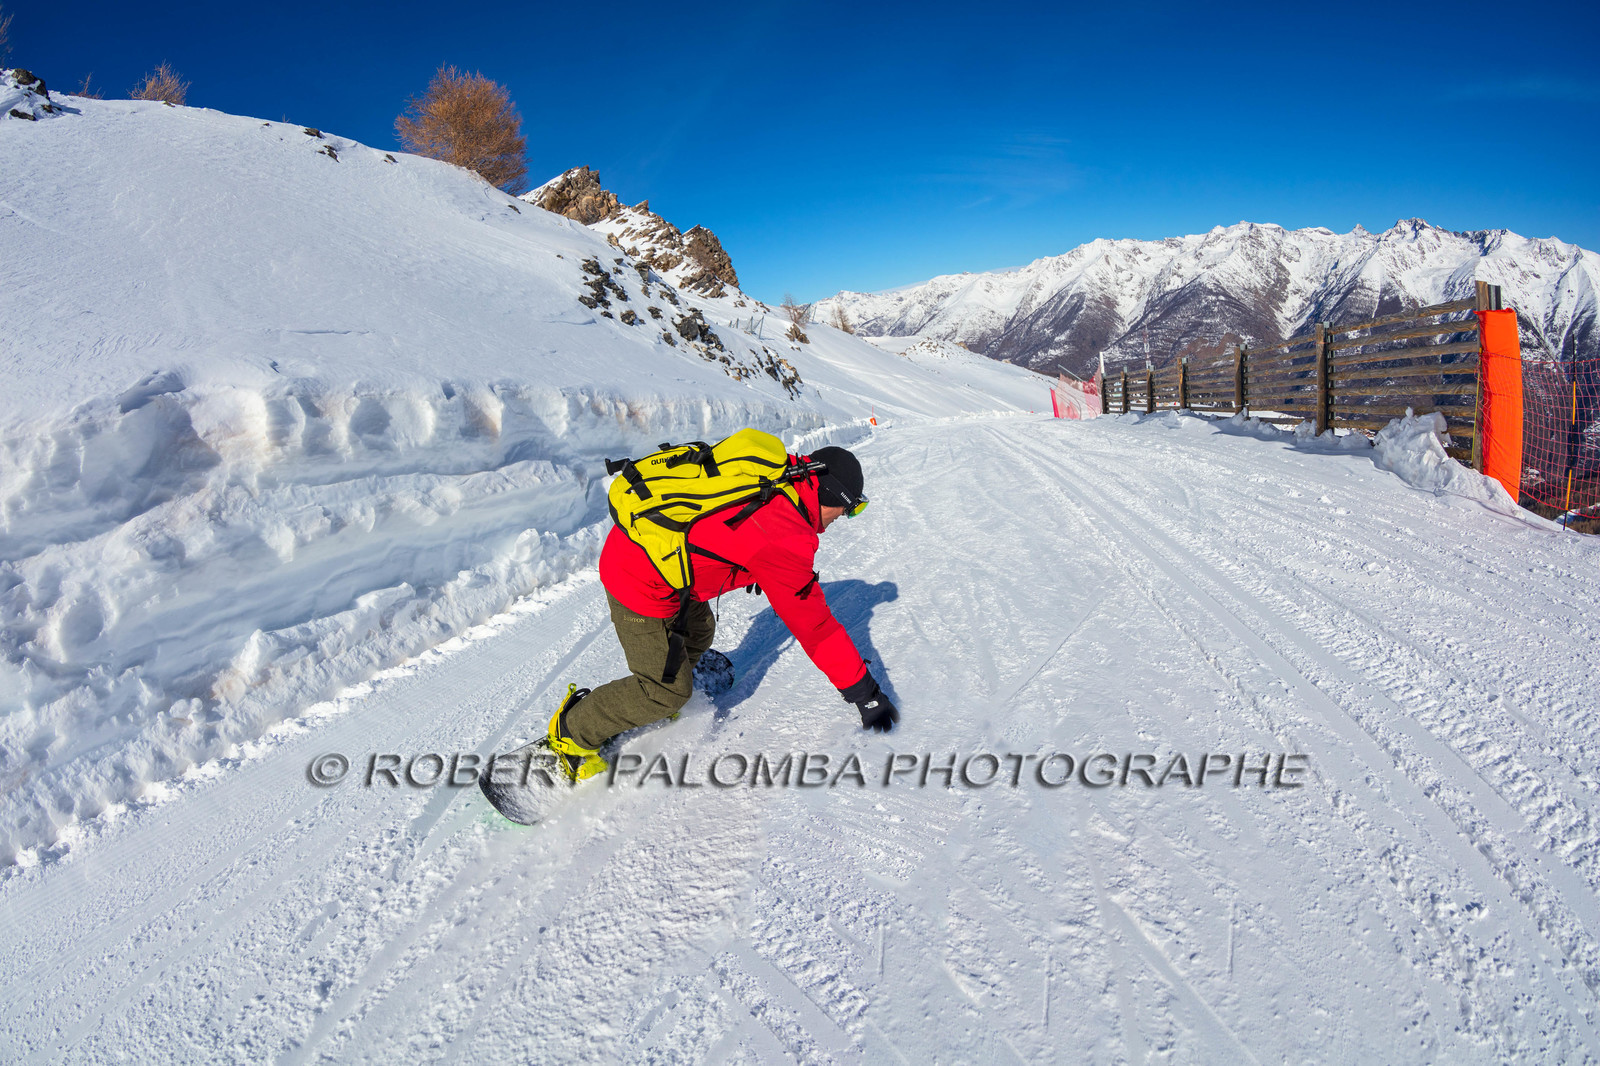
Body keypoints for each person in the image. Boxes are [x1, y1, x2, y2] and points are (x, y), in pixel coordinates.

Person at [547, 444, 898, 780]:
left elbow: (728, 525)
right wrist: (865, 695)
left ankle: (673, 678)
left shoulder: (783, 473)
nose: (846, 516)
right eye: (850, 508)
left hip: (656, 560)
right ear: (830, 495)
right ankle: (571, 732)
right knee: (664, 691)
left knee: (699, 630)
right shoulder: (784, 536)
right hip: (639, 582)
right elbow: (817, 629)